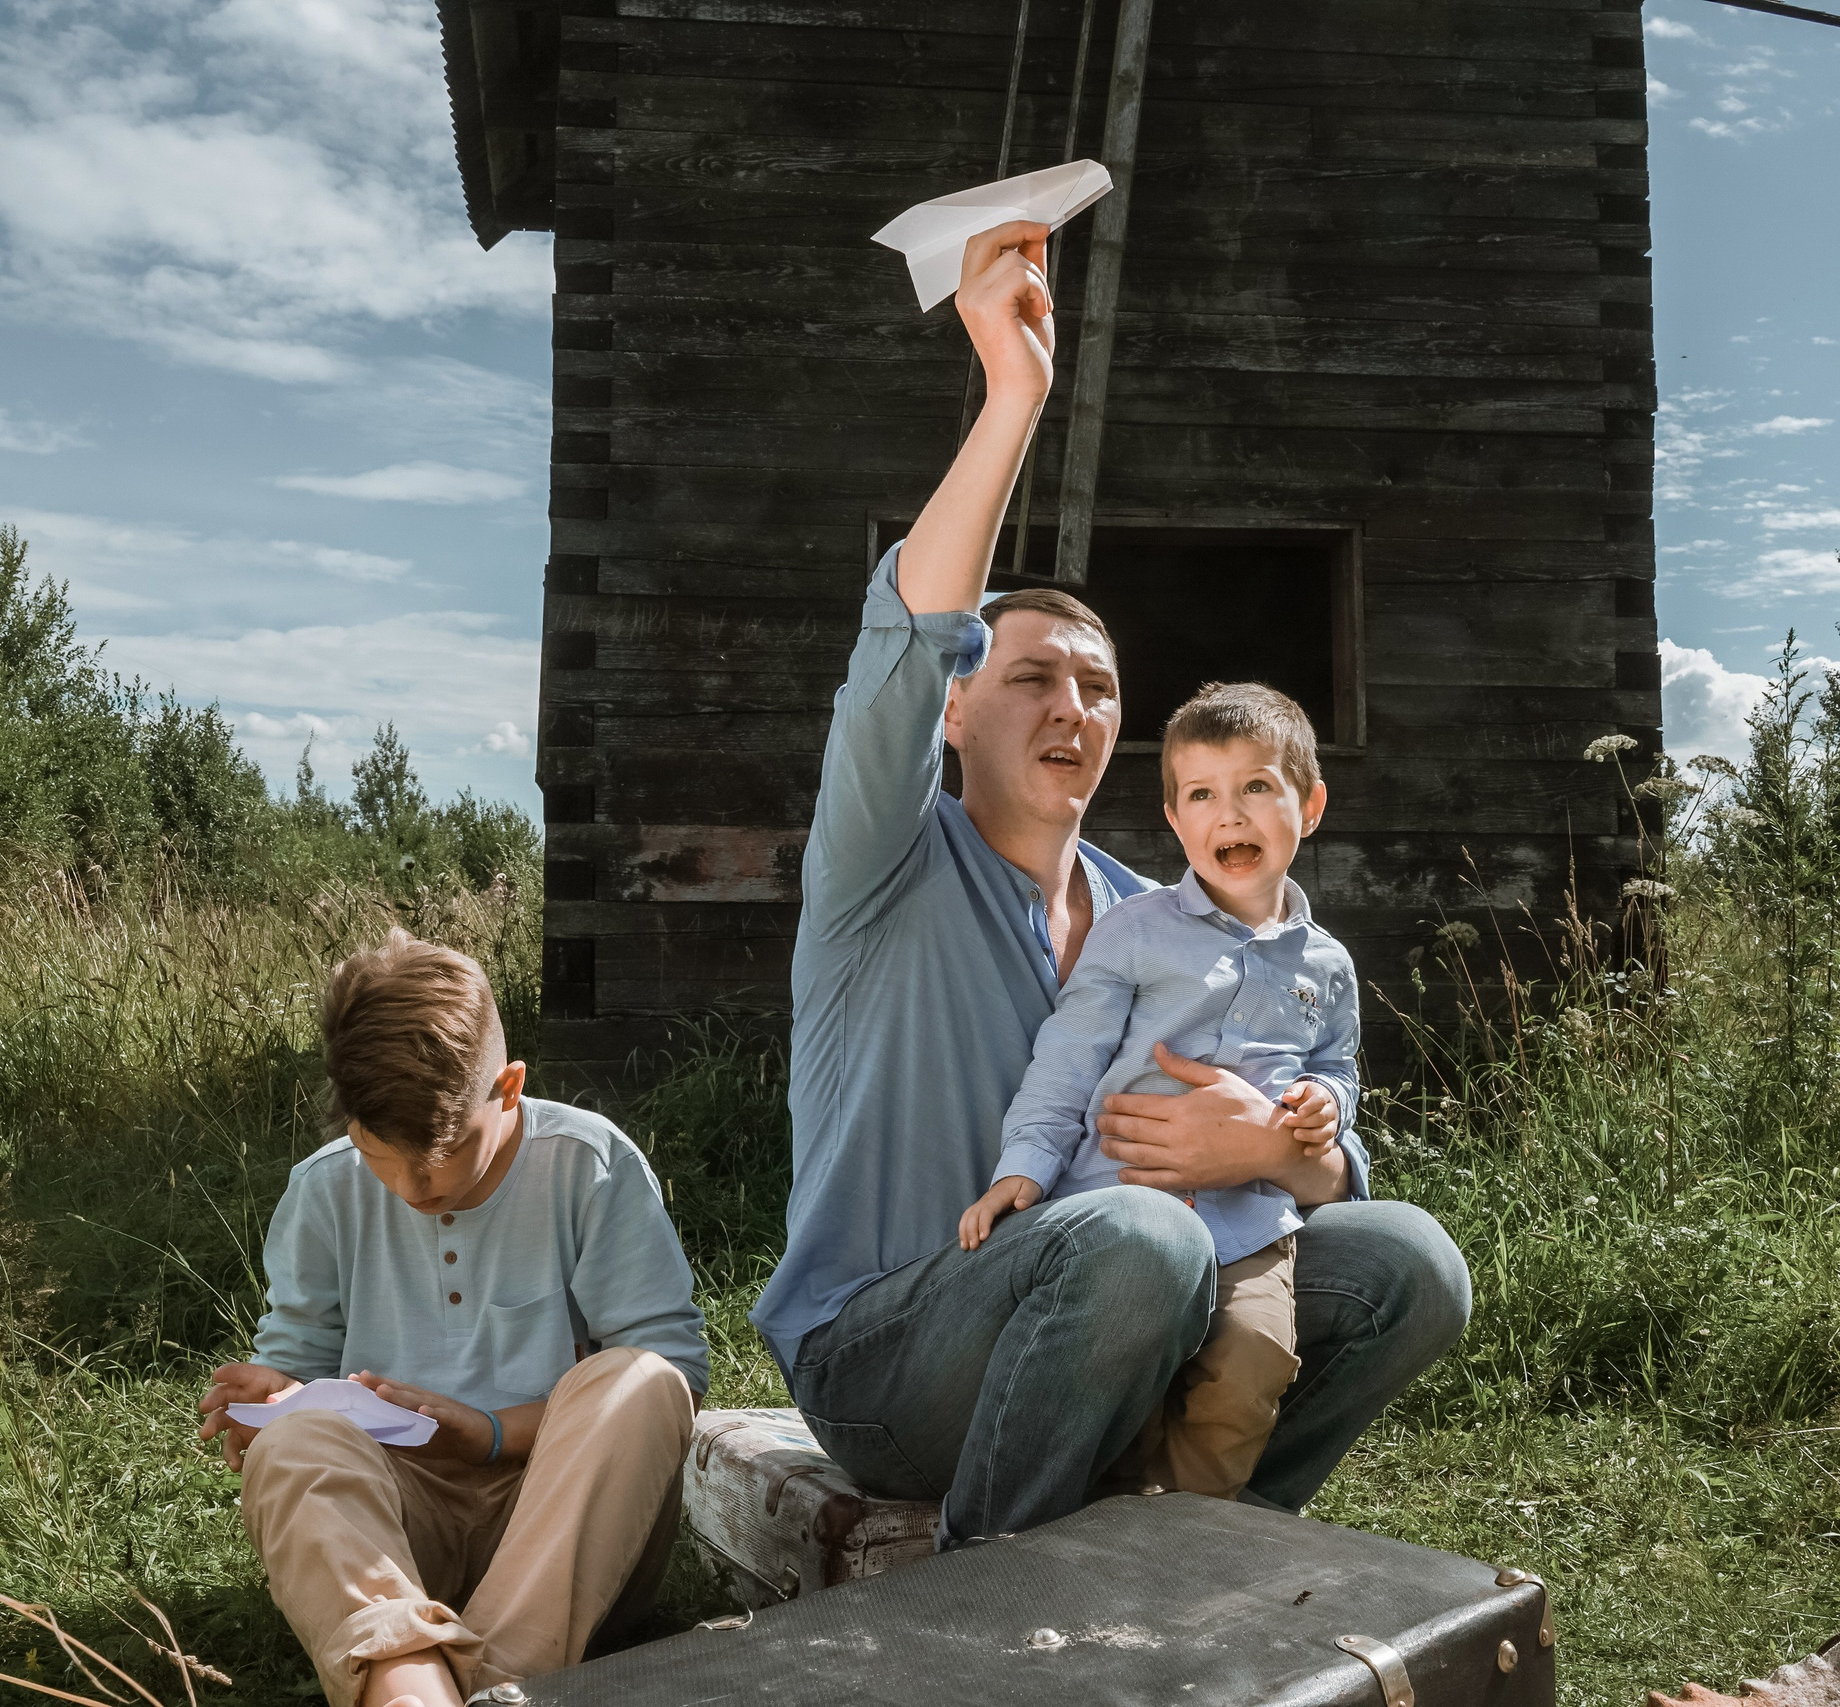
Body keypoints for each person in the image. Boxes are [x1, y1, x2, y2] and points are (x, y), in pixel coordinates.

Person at [749, 218, 1470, 1547]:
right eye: (1031, 674)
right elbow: (901, 641)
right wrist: (1015, 392)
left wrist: (1277, 1147)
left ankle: (1189, 1550)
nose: (1072, 701)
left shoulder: (1160, 909)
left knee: (1413, 1262)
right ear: (956, 711)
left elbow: (1326, 1143)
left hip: (1133, 1300)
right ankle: (988, 1610)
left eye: (1098, 684)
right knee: (1142, 1235)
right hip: (892, 1347)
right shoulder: (883, 861)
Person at [196, 930, 707, 1707]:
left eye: (442, 1152)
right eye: (379, 1152)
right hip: (394, 1532)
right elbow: (298, 1371)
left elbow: (676, 1376)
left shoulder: (588, 1164)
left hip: (563, 1518)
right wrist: (276, 1395)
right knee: (296, 1444)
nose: (410, 1184)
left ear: (508, 1087)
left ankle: (467, 1679)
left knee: (640, 1379)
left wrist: (488, 1431)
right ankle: (415, 1683)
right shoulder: (323, 1190)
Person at [962, 681, 1359, 1500]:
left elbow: (1338, 1066)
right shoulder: (1134, 933)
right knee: (1128, 1378)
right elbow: (1065, 1059)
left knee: (1252, 1363)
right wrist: (1025, 1168)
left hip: (1252, 1223)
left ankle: (1182, 1532)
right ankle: (1103, 1513)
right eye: (1202, 795)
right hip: (1121, 1204)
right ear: (1175, 819)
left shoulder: (1327, 965)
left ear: (1310, 805)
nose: (1231, 814)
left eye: (1257, 787)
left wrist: (1326, 1102)